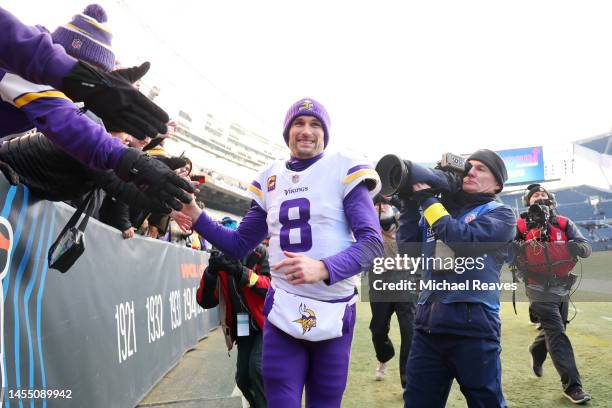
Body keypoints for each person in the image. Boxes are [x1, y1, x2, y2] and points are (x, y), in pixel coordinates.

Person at [182, 98, 383, 407]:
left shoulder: (344, 166)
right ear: (287, 131)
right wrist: (196, 216)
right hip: (283, 306)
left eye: (315, 124)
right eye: (298, 124)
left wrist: (324, 268)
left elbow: (373, 245)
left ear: (325, 134)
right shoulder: (270, 177)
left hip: (334, 308)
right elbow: (238, 245)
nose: (306, 131)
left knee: (325, 401)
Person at [0, 4, 192, 212]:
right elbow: (64, 118)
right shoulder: (21, 71)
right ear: (68, 53)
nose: (94, 78)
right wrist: (127, 158)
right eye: (90, 70)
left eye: (101, 74)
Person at [398, 149, 515, 407]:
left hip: (474, 328)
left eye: (481, 169)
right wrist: (409, 203)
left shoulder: (501, 214)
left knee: (486, 402)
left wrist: (427, 200)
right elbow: (408, 249)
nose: (470, 172)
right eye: (468, 167)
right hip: (428, 327)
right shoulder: (437, 210)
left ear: (497, 184)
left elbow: (463, 240)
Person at [0, 5, 168, 140]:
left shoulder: (57, 94)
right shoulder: (15, 69)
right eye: (86, 68)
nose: (89, 77)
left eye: (100, 73)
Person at [513, 184, 592, 404]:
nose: (539, 197)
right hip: (537, 288)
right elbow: (506, 253)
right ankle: (573, 386)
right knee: (557, 333)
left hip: (561, 286)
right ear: (527, 202)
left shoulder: (565, 223)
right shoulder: (519, 225)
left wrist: (579, 248)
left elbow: (586, 247)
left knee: (556, 329)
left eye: (543, 194)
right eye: (534, 195)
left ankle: (536, 350)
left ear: (551, 200)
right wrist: (515, 250)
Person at [197, 219, 271, 408]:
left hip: (268, 323)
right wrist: (211, 273)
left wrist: (241, 273)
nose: (223, 249)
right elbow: (205, 301)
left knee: (258, 368)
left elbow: (272, 288)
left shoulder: (260, 253)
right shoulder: (219, 262)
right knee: (243, 379)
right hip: (244, 326)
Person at [368, 198, 415, 388]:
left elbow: (409, 206)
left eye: (384, 201)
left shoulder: (402, 220)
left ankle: (408, 379)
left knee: (409, 330)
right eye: (377, 202)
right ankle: (384, 356)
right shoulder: (369, 225)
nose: (382, 204)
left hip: (405, 279)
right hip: (380, 280)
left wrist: (392, 197)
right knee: (378, 329)